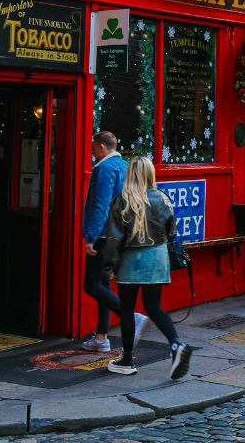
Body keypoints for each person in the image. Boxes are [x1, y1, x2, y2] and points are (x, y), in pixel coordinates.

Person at [100, 156, 191, 379]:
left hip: (131, 259)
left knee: (127, 309)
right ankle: (176, 344)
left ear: (130, 174)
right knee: (153, 306)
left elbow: (114, 239)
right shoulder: (163, 198)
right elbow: (172, 232)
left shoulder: (122, 200)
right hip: (157, 257)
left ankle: (128, 359)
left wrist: (108, 266)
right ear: (150, 174)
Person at [79, 131, 144, 353]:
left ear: (102, 148)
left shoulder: (105, 168)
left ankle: (131, 315)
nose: (92, 153)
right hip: (119, 233)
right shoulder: (125, 166)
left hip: (104, 235)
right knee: (104, 284)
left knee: (91, 284)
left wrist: (91, 237)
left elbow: (101, 205)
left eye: (94, 149)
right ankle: (101, 338)